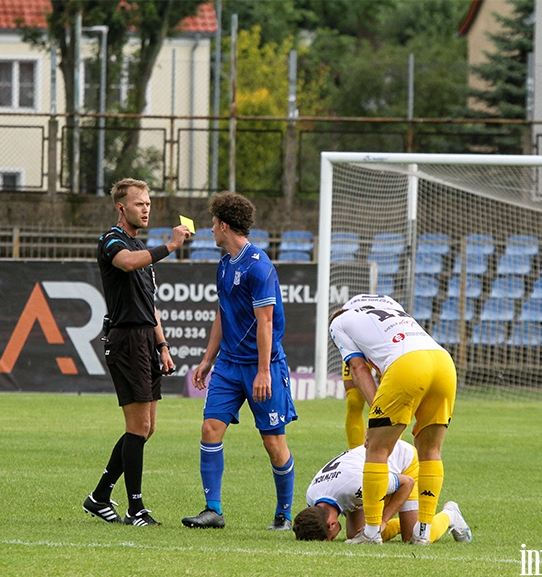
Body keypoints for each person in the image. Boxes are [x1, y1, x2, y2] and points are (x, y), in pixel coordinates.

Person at [183, 192, 297, 531]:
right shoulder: (224, 264)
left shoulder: (259, 266)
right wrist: (208, 359)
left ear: (223, 225)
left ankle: (284, 515)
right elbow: (223, 313)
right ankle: (213, 509)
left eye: (213, 224)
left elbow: (265, 321)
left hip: (264, 366)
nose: (211, 230)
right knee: (210, 428)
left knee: (273, 442)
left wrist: (264, 372)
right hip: (229, 366)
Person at [82, 178, 191, 526]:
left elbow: (150, 303)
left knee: (147, 428)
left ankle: (99, 497)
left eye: (147, 203)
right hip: (125, 338)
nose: (146, 208)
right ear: (121, 207)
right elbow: (127, 263)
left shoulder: (139, 246)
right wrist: (170, 246)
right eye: (139, 203)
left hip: (145, 339)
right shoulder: (112, 242)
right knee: (138, 425)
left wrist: (163, 346)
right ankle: (135, 508)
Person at [328, 293, 456, 545]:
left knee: (377, 449)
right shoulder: (391, 307)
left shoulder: (339, 322)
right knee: (431, 450)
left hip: (407, 365)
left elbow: (358, 368)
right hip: (443, 362)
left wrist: (375, 415)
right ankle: (423, 532)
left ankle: (371, 531)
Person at [292, 441, 471, 544]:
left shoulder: (357, 486)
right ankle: (397, 523)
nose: (330, 541)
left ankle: (451, 514)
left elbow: (406, 483)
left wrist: (383, 520)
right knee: (358, 534)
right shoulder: (312, 497)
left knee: (414, 537)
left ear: (331, 524)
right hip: (362, 479)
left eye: (329, 539)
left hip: (404, 463)